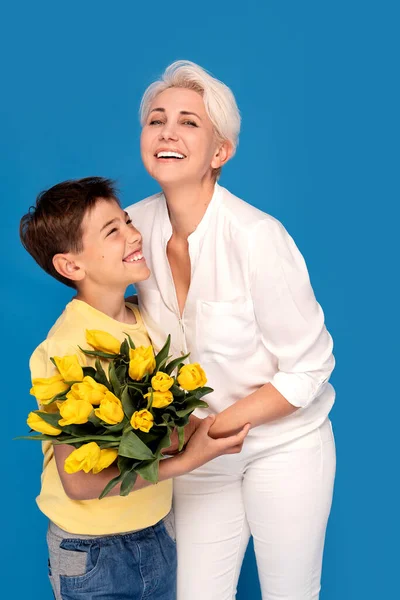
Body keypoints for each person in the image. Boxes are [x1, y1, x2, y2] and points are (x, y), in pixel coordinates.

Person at [126, 61, 336, 600]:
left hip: (282, 446)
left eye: (189, 122)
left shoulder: (259, 237)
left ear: (220, 153)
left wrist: (215, 427)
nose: (168, 131)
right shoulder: (129, 229)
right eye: (157, 120)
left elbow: (310, 367)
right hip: (198, 457)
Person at [20, 176, 250, 600]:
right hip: (92, 552)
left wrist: (208, 426)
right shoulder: (67, 349)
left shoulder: (144, 322)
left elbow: (163, 425)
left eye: (127, 220)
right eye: (113, 230)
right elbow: (80, 483)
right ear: (71, 266)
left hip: (157, 532)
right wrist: (186, 459)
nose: (133, 233)